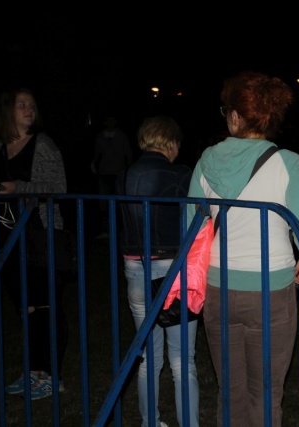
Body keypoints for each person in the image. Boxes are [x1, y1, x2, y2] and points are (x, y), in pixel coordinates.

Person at [186, 71, 299, 426]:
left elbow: (192, 227)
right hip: (270, 290)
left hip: (219, 288)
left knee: (229, 390)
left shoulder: (206, 160)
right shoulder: (289, 163)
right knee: (265, 393)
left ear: (234, 115)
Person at [117, 115, 199, 427]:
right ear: (172, 143)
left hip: (135, 266)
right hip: (171, 269)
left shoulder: (124, 175)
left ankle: (150, 421)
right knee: (182, 360)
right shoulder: (181, 174)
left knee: (148, 357)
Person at [0, 87, 68, 400]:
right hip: (7, 239)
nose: (29, 109)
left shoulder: (42, 144)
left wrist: (17, 187)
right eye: (22, 104)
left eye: (32, 105)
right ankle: (34, 370)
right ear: (7, 110)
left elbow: (58, 187)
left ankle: (52, 376)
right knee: (27, 308)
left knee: (46, 306)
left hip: (39, 237)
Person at [91, 114, 132, 238]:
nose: (110, 122)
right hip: (104, 174)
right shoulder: (100, 136)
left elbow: (128, 153)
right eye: (108, 120)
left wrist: (129, 169)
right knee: (104, 204)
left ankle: (122, 231)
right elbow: (97, 152)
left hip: (119, 175)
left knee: (121, 204)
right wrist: (93, 164)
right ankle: (105, 230)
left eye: (112, 120)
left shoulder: (122, 135)